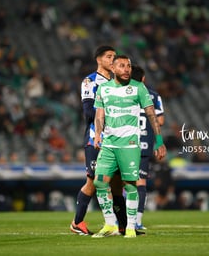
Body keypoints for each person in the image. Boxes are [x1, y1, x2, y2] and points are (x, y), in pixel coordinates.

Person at [92, 55, 167, 238]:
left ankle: (131, 227)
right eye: (122, 66)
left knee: (130, 186)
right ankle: (110, 225)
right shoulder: (103, 88)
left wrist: (158, 141)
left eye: (129, 66)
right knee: (99, 182)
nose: (126, 69)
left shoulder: (138, 88)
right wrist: (98, 135)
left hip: (130, 145)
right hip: (109, 144)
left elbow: (152, 115)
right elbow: (100, 115)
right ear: (113, 68)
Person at [70, 45, 128, 235]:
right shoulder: (90, 81)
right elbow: (87, 112)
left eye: (114, 57)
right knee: (94, 182)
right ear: (99, 59)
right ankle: (77, 222)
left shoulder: (117, 82)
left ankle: (122, 225)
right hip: (97, 138)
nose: (113, 60)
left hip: (117, 139)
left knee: (118, 184)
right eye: (109, 56)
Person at [130, 64, 165, 230]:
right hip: (145, 145)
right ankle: (137, 221)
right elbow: (161, 121)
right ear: (143, 78)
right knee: (140, 184)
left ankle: (118, 220)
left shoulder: (123, 94)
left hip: (125, 144)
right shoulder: (153, 95)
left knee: (121, 183)